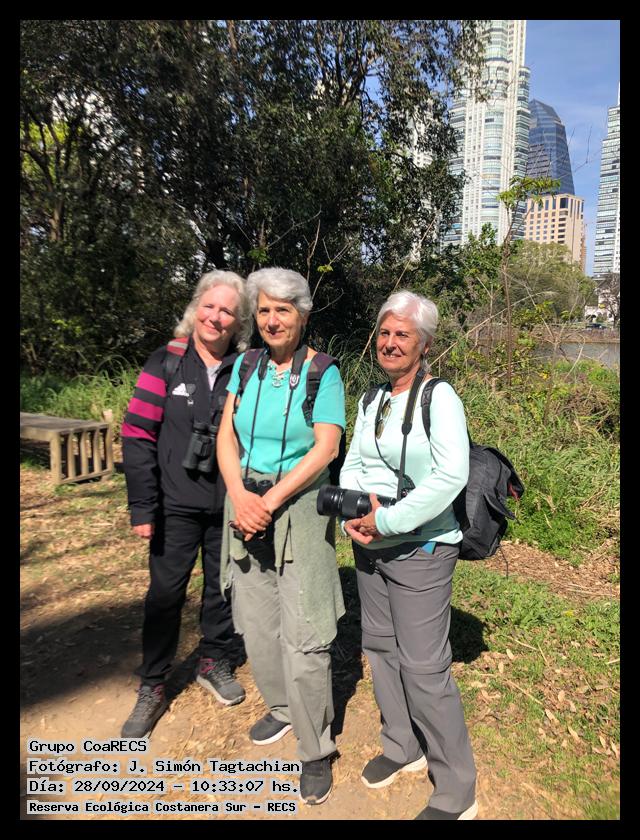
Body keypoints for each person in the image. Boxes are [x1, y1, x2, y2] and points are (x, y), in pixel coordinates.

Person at [339, 290, 478, 820]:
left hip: (421, 547)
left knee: (424, 666)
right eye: (385, 332)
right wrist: (354, 512)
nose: (391, 342)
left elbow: (451, 475)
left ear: (424, 345)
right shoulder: (372, 399)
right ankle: (402, 746)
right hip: (370, 544)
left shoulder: (439, 398)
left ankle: (456, 790)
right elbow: (353, 462)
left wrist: (388, 520)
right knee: (379, 647)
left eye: (403, 334)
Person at [216, 267, 346, 806]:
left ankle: (315, 748)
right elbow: (226, 436)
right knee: (257, 621)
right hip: (243, 501)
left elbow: (326, 448)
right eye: (264, 310)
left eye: (283, 310)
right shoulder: (246, 367)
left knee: (305, 629)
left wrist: (267, 503)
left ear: (303, 316)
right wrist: (240, 495)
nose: (272, 320)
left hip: (297, 510)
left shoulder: (322, 373)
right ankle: (282, 708)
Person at [120, 270, 252, 738]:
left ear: (239, 323)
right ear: (196, 308)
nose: (215, 317)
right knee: (164, 595)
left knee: (222, 589)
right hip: (173, 504)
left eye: (227, 311)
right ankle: (153, 683)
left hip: (226, 503)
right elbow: (137, 434)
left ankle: (213, 660)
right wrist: (143, 506)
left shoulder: (246, 369)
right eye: (209, 306)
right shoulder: (166, 361)